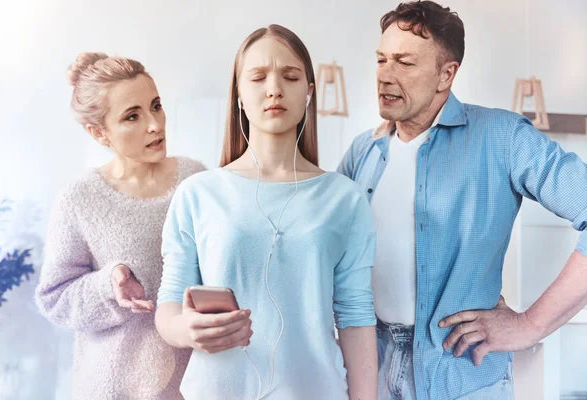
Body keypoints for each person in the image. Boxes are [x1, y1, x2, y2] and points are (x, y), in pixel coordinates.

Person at [338, 1, 587, 399]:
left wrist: (530, 325)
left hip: (463, 377)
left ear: (446, 74)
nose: (384, 75)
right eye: (381, 59)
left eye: (404, 63)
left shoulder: (502, 138)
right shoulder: (361, 153)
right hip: (373, 372)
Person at [155, 24, 378, 400]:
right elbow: (169, 306)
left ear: (309, 93)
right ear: (239, 95)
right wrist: (186, 330)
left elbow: (356, 318)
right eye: (258, 78)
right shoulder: (198, 193)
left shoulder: (345, 198)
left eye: (290, 77)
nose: (274, 88)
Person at [35, 52, 205, 399]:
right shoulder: (79, 198)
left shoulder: (196, 180)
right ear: (98, 132)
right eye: (133, 116)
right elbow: (55, 298)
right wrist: (109, 286)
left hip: (194, 385)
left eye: (156, 106)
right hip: (112, 389)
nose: (155, 124)